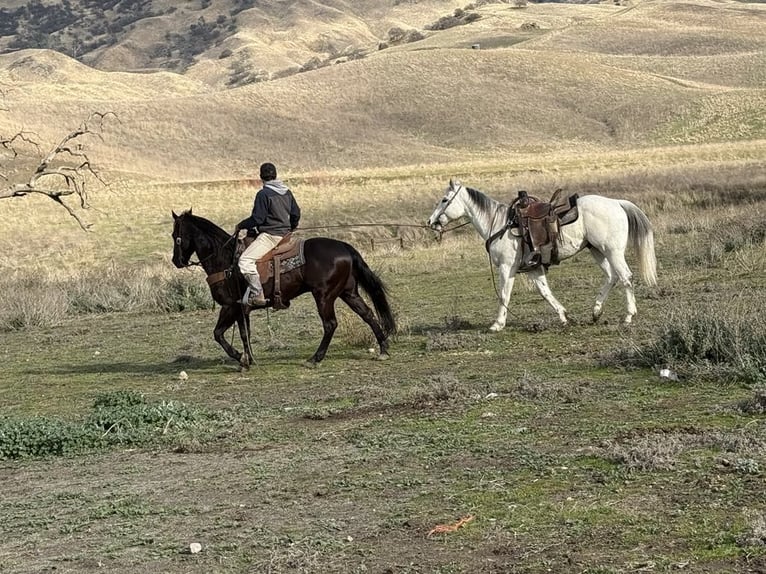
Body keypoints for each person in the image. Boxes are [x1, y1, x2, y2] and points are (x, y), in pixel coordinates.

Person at [235, 162, 301, 306]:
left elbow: (257, 219)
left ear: (261, 177)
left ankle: (257, 293)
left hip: (270, 236)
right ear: (275, 175)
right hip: (285, 236)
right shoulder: (287, 192)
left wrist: (241, 225)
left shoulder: (263, 194)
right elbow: (296, 213)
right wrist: (292, 227)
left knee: (245, 261)